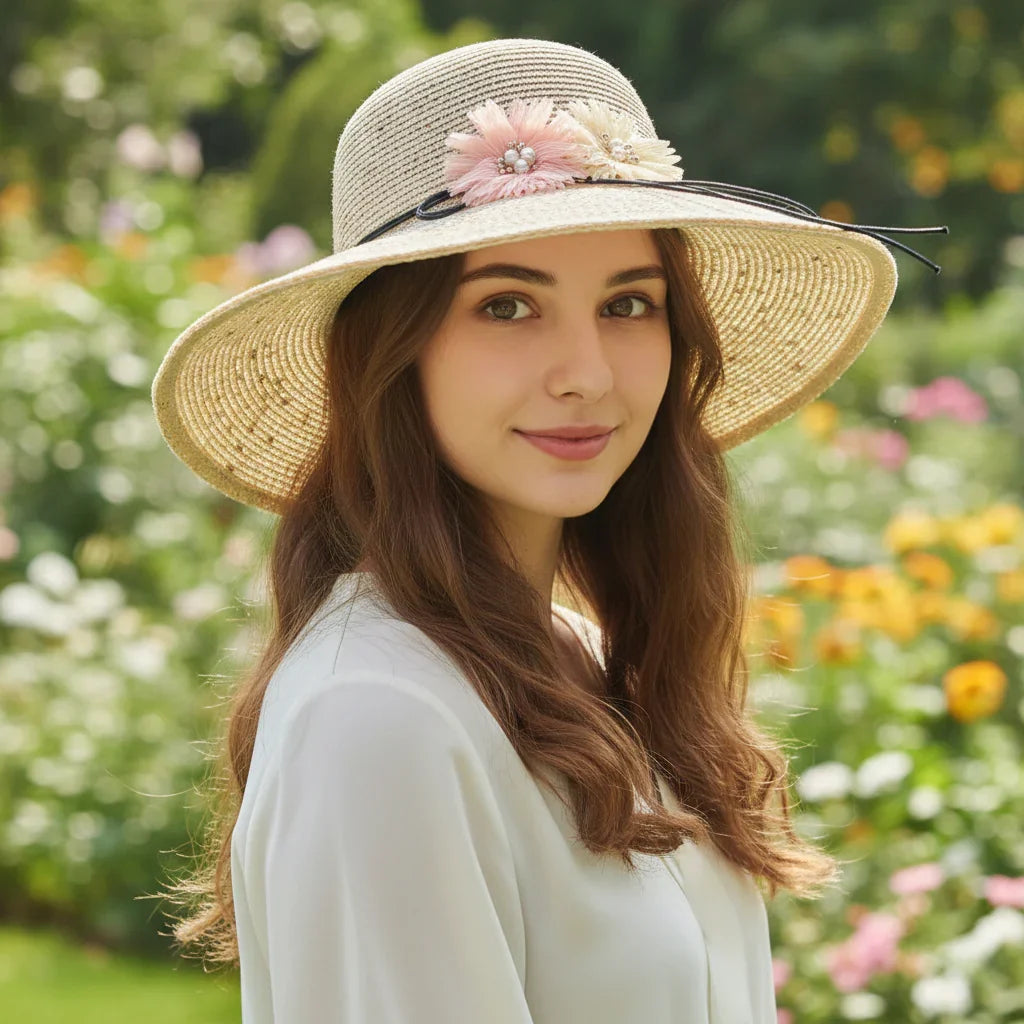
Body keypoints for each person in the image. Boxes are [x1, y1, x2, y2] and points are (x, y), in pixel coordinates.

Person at [151, 37, 945, 1024]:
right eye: (508, 304)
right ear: (390, 353)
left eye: (627, 303)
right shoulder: (380, 717)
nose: (588, 371)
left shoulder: (579, 656)